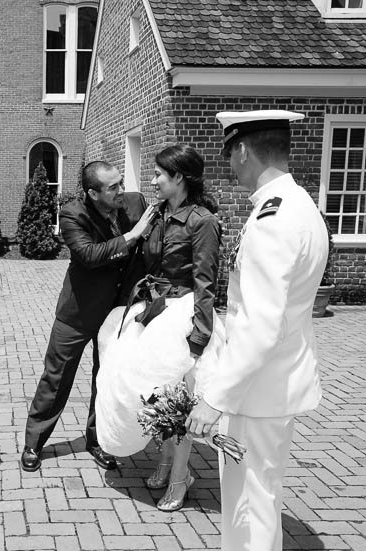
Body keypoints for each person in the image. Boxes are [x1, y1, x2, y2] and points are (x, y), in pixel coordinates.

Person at [186, 110, 329, 550]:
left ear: (244, 150)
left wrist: (216, 399)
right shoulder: (298, 205)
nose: (229, 165)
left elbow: (260, 325)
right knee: (257, 495)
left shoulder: (273, 220)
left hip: (258, 392)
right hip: (273, 384)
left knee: (250, 501)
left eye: (230, 154)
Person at [95, 144, 222, 511]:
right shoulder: (158, 215)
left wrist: (198, 337)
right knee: (153, 397)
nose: (152, 181)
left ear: (179, 178)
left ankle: (181, 477)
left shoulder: (203, 222)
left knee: (177, 404)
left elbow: (206, 285)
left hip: (183, 317)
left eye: (158, 175)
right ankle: (166, 460)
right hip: (154, 310)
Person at [21, 161, 157, 472]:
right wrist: (132, 236)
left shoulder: (135, 202)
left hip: (119, 311)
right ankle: (34, 442)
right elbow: (88, 255)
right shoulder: (73, 214)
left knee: (106, 378)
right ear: (93, 194)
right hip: (79, 311)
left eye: (121, 183)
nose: (121, 191)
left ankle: (98, 440)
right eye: (113, 188)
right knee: (56, 378)